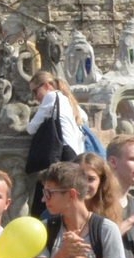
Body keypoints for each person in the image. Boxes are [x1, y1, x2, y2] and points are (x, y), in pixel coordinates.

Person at [22, 70, 95, 212]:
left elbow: (31, 129)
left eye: (35, 91)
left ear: (47, 85)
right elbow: (84, 117)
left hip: (61, 153)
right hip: (76, 153)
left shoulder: (51, 96)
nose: (35, 97)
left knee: (46, 193)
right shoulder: (68, 99)